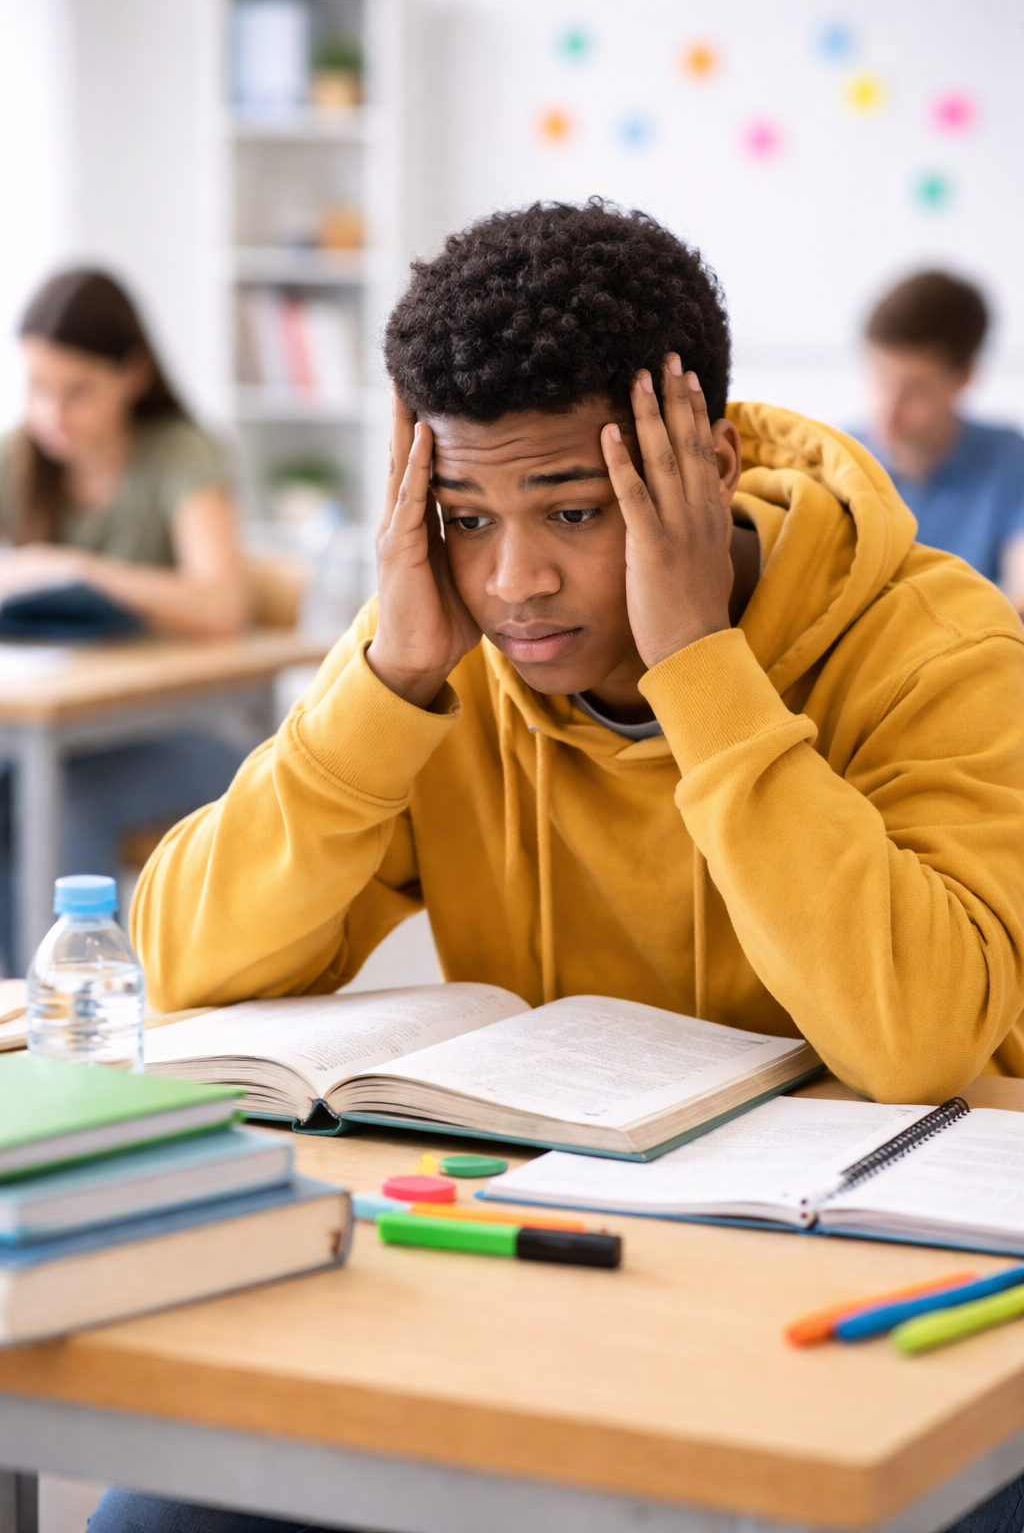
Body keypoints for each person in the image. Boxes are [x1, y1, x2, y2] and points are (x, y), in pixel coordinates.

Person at [124, 201, 1024, 1533]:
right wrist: (385, 683)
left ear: (705, 463)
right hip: (552, 1264)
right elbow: (184, 959)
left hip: (853, 1295)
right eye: (467, 516)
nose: (515, 583)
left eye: (575, 510)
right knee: (164, 1516)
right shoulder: (444, 651)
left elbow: (919, 1037)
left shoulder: (939, 649)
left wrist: (701, 673)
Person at [0, 268, 248, 966]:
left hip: (186, 735)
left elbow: (221, 606)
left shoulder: (179, 453)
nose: (53, 413)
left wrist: (78, 569)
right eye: (38, 388)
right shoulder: (20, 457)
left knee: (59, 801)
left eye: (77, 391)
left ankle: (64, 1025)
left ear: (132, 374)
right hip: (59, 730)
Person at [857, 269, 1024, 603]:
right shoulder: (833, 458)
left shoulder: (1008, 459)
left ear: (963, 378)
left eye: (914, 389)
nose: (889, 409)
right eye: (881, 377)